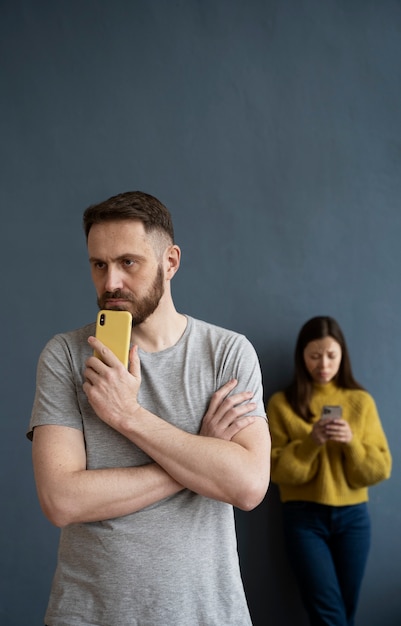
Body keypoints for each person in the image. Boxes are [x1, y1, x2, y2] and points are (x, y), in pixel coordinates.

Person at [27, 190, 271, 626]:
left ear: (171, 262)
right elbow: (60, 500)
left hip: (206, 614)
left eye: (128, 262)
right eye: (98, 265)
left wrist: (130, 417)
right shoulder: (64, 355)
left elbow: (248, 486)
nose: (111, 282)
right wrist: (199, 455)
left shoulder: (227, 353)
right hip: (89, 615)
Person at [267, 316, 392, 626]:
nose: (323, 364)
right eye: (314, 355)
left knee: (345, 611)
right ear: (302, 356)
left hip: (353, 519)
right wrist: (312, 442)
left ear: (342, 356)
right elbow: (276, 472)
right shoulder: (282, 404)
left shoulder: (360, 402)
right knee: (328, 613)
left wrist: (350, 443)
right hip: (303, 519)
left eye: (331, 355)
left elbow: (380, 469)